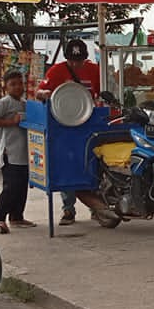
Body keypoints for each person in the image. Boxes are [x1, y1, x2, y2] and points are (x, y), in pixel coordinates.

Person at [36, 38, 100, 225]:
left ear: (85, 59)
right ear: (66, 59)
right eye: (72, 61)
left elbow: (106, 89)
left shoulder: (94, 70)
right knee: (68, 166)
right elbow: (38, 92)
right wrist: (45, 95)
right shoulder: (56, 71)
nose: (76, 64)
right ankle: (68, 210)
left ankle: (96, 208)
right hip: (64, 126)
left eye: (79, 61)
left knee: (93, 164)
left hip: (91, 125)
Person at [0, 69, 35, 233]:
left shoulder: (25, 103)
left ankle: (17, 217)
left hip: (24, 153)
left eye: (20, 83)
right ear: (5, 86)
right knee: (11, 187)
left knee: (22, 187)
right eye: (13, 84)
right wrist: (11, 122)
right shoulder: (3, 103)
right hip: (9, 153)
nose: (17, 87)